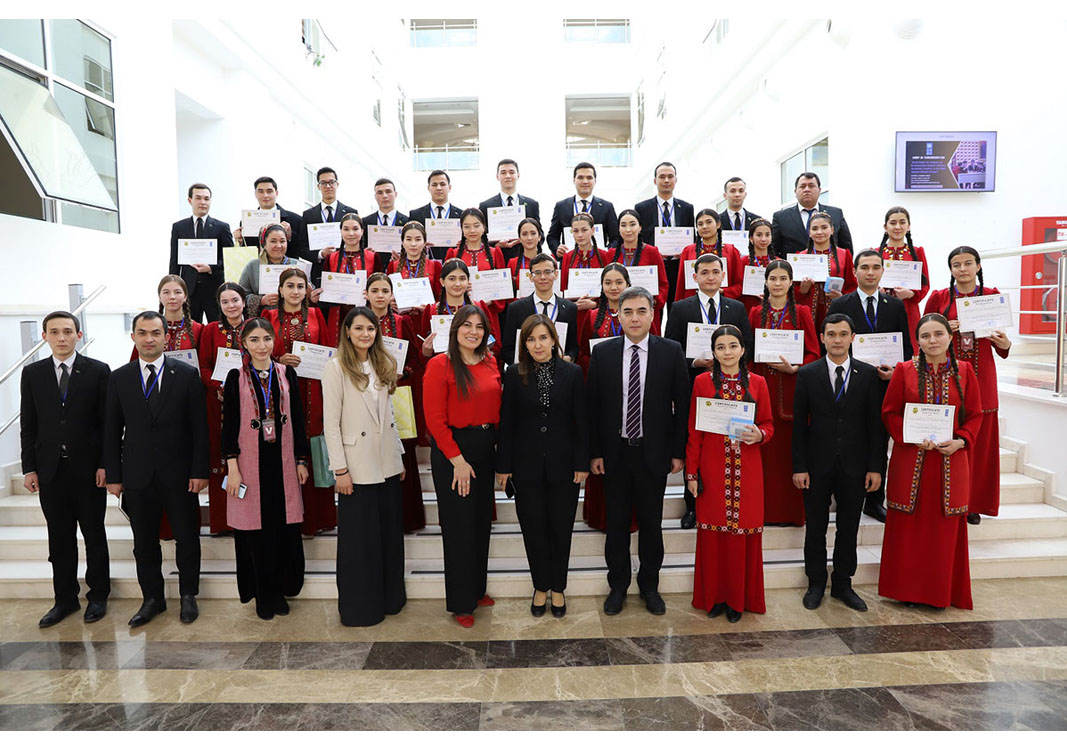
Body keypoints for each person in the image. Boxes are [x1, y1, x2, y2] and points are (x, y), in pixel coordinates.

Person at [588, 287, 689, 616]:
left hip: (653, 453)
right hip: (615, 454)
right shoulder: (602, 353)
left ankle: (649, 586)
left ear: (652, 314)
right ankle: (617, 586)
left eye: (641, 311)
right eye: (627, 311)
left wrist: (678, 452)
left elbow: (682, 406)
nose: (634, 317)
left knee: (651, 524)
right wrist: (595, 452)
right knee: (616, 524)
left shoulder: (670, 351)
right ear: (617, 314)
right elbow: (595, 408)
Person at [103, 311, 209, 627]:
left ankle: (189, 595)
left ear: (166, 337)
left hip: (179, 475)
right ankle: (152, 599)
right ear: (134, 337)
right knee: (143, 542)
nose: (149, 339)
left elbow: (199, 429)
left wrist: (199, 470)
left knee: (187, 537)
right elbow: (111, 430)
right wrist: (114, 475)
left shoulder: (187, 375)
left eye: (155, 333)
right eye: (142, 333)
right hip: (137, 476)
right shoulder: (119, 378)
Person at [879, 313, 982, 610]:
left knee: (942, 528)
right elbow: (890, 413)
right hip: (912, 459)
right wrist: (909, 435)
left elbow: (975, 415)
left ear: (950, 338)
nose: (932, 341)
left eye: (938, 334)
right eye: (925, 336)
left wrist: (961, 440)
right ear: (918, 341)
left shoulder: (964, 371)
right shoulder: (904, 370)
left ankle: (940, 594)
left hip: (950, 461)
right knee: (909, 527)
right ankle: (907, 591)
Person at [20, 311, 111, 627]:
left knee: (94, 534)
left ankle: (98, 595)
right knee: (59, 538)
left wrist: (105, 464)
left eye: (68, 331)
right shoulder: (32, 374)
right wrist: (29, 468)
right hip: (50, 471)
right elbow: (28, 425)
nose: (61, 337)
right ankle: (65, 599)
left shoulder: (98, 372)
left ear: (79, 335)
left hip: (89, 470)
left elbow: (106, 424)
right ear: (44, 336)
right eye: (55, 332)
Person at [497, 315, 589, 617]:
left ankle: (558, 587)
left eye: (543, 338)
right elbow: (507, 423)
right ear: (524, 344)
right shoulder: (513, 374)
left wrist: (581, 462)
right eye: (531, 339)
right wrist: (504, 466)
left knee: (561, 528)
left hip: (564, 466)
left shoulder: (573, 373)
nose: (538, 344)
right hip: (526, 467)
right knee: (533, 528)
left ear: (553, 340)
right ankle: (540, 586)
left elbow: (581, 422)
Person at [792, 313, 885, 612]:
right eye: (831, 334)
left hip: (855, 465)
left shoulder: (868, 375)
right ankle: (816, 582)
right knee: (815, 527)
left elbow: (876, 426)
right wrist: (799, 466)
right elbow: (799, 426)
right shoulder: (808, 374)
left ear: (852, 337)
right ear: (822, 337)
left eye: (843, 334)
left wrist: (875, 467)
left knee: (849, 526)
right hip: (817, 466)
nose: (837, 340)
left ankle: (843, 583)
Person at [323, 307, 407, 626]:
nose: (365, 334)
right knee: (360, 542)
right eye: (358, 328)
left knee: (387, 536)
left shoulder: (384, 363)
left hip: (385, 461)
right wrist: (340, 470)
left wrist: (397, 455)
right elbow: (331, 424)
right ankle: (361, 608)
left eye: (370, 329)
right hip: (355, 466)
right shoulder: (335, 368)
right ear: (347, 331)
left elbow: (390, 416)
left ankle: (390, 600)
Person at [222, 318, 309, 620]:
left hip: (281, 461)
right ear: (244, 343)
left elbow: (298, 419)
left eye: (267, 339)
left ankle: (282, 590)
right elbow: (229, 424)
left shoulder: (287, 374)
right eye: (255, 340)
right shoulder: (235, 377)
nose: (262, 346)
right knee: (255, 531)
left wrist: (301, 460)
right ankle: (262, 594)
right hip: (249, 462)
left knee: (281, 528)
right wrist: (232, 466)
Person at [686, 324, 773, 622]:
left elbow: (769, 424)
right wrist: (692, 474)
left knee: (740, 534)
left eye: (732, 346)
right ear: (713, 352)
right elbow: (694, 431)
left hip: (748, 469)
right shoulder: (701, 382)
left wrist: (759, 434)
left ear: (743, 349)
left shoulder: (759, 383)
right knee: (713, 534)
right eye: (720, 347)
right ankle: (715, 597)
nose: (727, 352)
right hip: (712, 466)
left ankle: (738, 600)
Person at [423, 305, 502, 628]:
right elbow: (435, 420)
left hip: (486, 448)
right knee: (458, 527)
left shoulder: (490, 361)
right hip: (454, 452)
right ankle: (461, 602)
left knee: (481, 521)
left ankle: (477, 588)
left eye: (479, 327)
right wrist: (457, 460)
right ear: (454, 330)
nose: (473, 331)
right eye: (466, 326)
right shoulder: (439, 364)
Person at [665, 252, 752, 529]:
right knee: (696, 445)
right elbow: (671, 348)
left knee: (724, 447)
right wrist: (695, 362)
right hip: (694, 385)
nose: (710, 277)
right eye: (704, 273)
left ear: (723, 275)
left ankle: (725, 502)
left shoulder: (737, 309)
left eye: (716, 272)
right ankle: (692, 506)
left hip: (731, 389)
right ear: (695, 277)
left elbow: (746, 347)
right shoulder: (680, 308)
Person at [925, 246, 1010, 525]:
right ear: (950, 269)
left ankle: (972, 503)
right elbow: (923, 336)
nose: (962, 269)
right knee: (947, 436)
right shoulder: (940, 298)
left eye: (968, 263)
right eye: (956, 265)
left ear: (978, 266)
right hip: (945, 377)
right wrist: (945, 328)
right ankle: (947, 497)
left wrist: (1005, 344)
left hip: (982, 377)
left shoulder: (990, 297)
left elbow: (1002, 344)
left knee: (979, 444)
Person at [828, 249, 914, 522]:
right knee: (850, 440)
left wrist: (896, 374)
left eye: (875, 267)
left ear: (882, 271)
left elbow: (906, 349)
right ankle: (846, 495)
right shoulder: (841, 304)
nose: (870, 272)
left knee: (879, 440)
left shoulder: (895, 305)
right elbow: (831, 345)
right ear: (854, 272)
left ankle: (875, 501)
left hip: (883, 385)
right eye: (864, 267)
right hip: (849, 384)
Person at [263, 268, 335, 536]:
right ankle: (290, 516)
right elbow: (258, 352)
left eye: (300, 286)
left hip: (313, 391)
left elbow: (329, 354)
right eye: (289, 286)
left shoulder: (317, 315)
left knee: (314, 442)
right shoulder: (268, 317)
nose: (295, 291)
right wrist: (278, 360)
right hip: (280, 390)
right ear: (280, 290)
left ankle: (320, 517)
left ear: (307, 290)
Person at [748, 260, 819, 526]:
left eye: (783, 278)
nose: (777, 283)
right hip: (762, 390)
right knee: (765, 458)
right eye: (772, 278)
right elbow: (750, 357)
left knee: (789, 456)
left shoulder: (801, 312)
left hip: (793, 391)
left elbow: (814, 353)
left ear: (791, 282)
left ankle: (791, 514)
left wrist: (796, 368)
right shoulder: (756, 313)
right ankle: (763, 513)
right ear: (765, 282)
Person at [366, 272, 426, 532]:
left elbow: (414, 360)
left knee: (404, 456)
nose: (380, 295)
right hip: (365, 396)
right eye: (375, 290)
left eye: (385, 291)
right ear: (366, 294)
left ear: (392, 295)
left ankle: (407, 519)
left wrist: (403, 373)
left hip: (397, 393)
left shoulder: (402, 322)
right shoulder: (357, 322)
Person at [576, 263, 633, 533]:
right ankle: (600, 516)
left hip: (633, 393)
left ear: (627, 284)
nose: (613, 287)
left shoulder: (637, 314)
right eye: (608, 282)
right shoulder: (591, 315)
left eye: (619, 282)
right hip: (602, 392)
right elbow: (582, 355)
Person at [197, 282, 248, 535]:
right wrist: (219, 386)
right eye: (225, 301)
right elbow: (204, 366)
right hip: (217, 401)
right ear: (219, 305)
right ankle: (222, 522)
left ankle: (246, 518)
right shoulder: (210, 330)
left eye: (235, 300)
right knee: (220, 456)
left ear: (244, 301)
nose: (231, 306)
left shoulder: (255, 327)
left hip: (250, 400)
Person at [169, 182, 234, 323]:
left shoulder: (222, 227)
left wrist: (211, 267)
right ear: (190, 200)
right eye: (198, 198)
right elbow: (174, 260)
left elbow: (230, 261)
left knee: (217, 328)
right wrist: (173, 287)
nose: (203, 202)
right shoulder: (179, 227)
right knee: (190, 331)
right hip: (189, 290)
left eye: (206, 198)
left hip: (214, 289)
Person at [501, 252, 579, 366]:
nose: (543, 277)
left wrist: (568, 358)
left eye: (548, 272)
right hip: (527, 375)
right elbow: (507, 349)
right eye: (537, 273)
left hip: (559, 373)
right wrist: (524, 365)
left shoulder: (569, 308)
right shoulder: (516, 308)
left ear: (556, 274)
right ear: (530, 277)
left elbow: (573, 347)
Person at [634, 161, 695, 307]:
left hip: (678, 265)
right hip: (654, 266)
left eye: (670, 176)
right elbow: (640, 237)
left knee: (678, 307)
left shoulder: (687, 208)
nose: (666, 180)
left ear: (676, 180)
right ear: (655, 181)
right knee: (653, 308)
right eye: (662, 177)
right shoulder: (642, 208)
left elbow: (692, 237)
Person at [419, 259, 503, 362]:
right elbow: (422, 349)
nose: (457, 284)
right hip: (443, 368)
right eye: (452, 279)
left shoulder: (479, 307)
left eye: (462, 279)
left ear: (468, 281)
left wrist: (487, 350)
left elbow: (495, 345)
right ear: (442, 282)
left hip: (474, 365)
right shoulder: (432, 310)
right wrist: (426, 352)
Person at [794, 211, 858, 334]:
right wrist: (803, 289)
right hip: (809, 311)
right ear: (809, 233)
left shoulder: (844, 254)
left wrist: (842, 297)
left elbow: (852, 286)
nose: (819, 232)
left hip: (837, 309)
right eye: (815, 228)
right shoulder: (801, 257)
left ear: (832, 230)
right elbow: (792, 291)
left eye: (824, 227)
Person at [879, 206, 931, 355]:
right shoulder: (876, 252)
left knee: (911, 352)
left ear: (908, 226)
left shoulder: (917, 251)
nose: (897, 227)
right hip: (882, 310)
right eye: (893, 223)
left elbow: (925, 284)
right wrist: (877, 291)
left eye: (902, 222)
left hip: (909, 310)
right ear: (885, 227)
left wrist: (911, 294)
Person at [608, 209, 669, 334]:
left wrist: (655, 301)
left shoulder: (652, 251)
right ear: (618, 229)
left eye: (632, 224)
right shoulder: (611, 254)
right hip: (619, 311)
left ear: (640, 227)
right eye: (623, 225)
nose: (628, 229)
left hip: (644, 310)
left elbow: (663, 284)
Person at [238, 224, 319, 317]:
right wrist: (261, 300)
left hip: (294, 319)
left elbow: (310, 293)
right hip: (263, 321)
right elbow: (241, 295)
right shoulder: (253, 266)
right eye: (273, 241)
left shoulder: (298, 265)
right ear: (264, 244)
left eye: (282, 241)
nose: (279, 245)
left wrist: (310, 294)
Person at [321, 213, 374, 346]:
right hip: (337, 314)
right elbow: (326, 290)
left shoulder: (373, 257)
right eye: (346, 229)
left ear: (362, 231)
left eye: (355, 229)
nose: (351, 233)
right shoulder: (331, 258)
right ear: (340, 231)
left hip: (366, 312)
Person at [771, 172, 853, 257]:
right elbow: (774, 250)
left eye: (811, 186)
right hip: (794, 268)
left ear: (819, 190)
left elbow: (846, 247)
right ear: (795, 191)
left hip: (830, 268)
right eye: (802, 186)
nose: (807, 189)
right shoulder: (780, 218)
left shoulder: (835, 214)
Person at [301, 166, 360, 285]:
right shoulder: (308, 215)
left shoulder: (351, 212)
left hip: (346, 271)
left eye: (331, 182)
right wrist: (321, 254)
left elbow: (359, 243)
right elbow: (302, 248)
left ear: (337, 184)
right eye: (323, 183)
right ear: (318, 186)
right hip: (319, 273)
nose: (328, 186)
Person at [547, 162, 620, 256]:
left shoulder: (607, 207)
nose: (585, 181)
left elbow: (616, 238)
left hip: (598, 262)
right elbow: (552, 237)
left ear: (595, 180)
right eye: (580, 177)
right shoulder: (561, 206)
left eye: (589, 178)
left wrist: (607, 252)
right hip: (571, 261)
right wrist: (557, 248)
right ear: (574, 180)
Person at [673, 209, 743, 303]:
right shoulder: (688, 251)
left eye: (709, 222)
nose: (704, 227)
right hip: (692, 305)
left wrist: (723, 291)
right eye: (700, 224)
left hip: (723, 303)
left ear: (718, 224)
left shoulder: (731, 251)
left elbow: (739, 284)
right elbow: (681, 285)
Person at [479, 158, 541, 261]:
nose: (508, 176)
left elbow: (540, 234)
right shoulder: (486, 206)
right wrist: (496, 245)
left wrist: (527, 240)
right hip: (497, 259)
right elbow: (481, 237)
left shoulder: (531, 204)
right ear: (497, 177)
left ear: (518, 175)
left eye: (511, 172)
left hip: (525, 259)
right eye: (503, 173)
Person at [233, 176, 307, 262]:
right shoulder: (246, 222)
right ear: (255, 194)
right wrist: (240, 242)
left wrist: (290, 236)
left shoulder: (295, 220)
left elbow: (302, 251)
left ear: (276, 193)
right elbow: (246, 253)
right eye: (261, 191)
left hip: (286, 270)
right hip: (257, 270)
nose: (265, 195)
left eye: (269, 191)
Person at [409, 170, 462, 261]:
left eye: (442, 184)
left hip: (454, 264)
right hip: (425, 264)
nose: (438, 188)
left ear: (449, 187)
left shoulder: (461, 215)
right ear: (428, 188)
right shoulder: (416, 215)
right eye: (434, 185)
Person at [559, 212, 609, 309]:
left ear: (593, 230)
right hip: (574, 310)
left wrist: (595, 304)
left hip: (599, 311)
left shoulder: (604, 255)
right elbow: (563, 288)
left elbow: (609, 287)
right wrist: (573, 305)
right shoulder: (568, 256)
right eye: (575, 231)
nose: (580, 235)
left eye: (584, 230)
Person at [388, 220, 443, 303]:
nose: (413, 244)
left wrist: (430, 308)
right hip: (399, 314)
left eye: (418, 239)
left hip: (427, 315)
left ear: (424, 243)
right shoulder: (393, 266)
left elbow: (440, 297)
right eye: (409, 239)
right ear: (403, 242)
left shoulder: (435, 266)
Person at [364, 178, 410, 273]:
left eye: (388, 191)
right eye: (380, 193)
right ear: (375, 196)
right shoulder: (365, 222)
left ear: (395, 194)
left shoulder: (407, 222)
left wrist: (404, 257)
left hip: (399, 270)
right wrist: (365, 253)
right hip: (373, 272)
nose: (384, 196)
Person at [738, 218, 775, 313]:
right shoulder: (743, 261)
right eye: (759, 235)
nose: (763, 239)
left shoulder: (777, 262)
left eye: (767, 235)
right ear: (751, 238)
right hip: (748, 306)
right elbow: (738, 286)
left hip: (773, 306)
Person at [505, 217, 547, 295]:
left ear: (539, 237)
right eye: (524, 234)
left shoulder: (549, 260)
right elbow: (509, 294)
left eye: (533, 233)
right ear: (519, 239)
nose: (529, 238)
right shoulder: (512, 263)